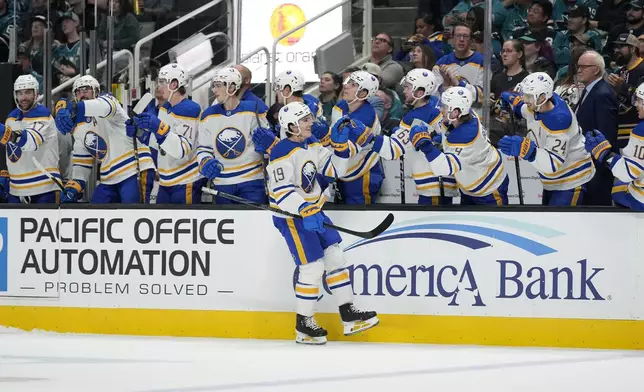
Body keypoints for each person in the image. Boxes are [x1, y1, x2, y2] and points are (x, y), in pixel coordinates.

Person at [267, 101, 378, 345]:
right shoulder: (280, 152)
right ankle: (304, 324)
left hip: (314, 211)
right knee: (312, 268)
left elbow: (334, 170)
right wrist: (304, 209)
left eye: (309, 118)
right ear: (291, 125)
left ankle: (348, 315)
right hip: (292, 218)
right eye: (304, 120)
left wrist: (339, 148)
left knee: (336, 257)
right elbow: (283, 192)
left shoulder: (313, 144)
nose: (310, 123)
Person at [55, 75, 156, 203]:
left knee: (133, 216)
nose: (82, 94)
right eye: (78, 92)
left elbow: (101, 106)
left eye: (86, 90)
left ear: (96, 91)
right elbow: (82, 162)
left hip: (134, 168)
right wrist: (73, 187)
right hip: (109, 178)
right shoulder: (80, 128)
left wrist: (72, 108)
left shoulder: (109, 102)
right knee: (96, 211)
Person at [499, 72, 596, 206]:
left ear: (542, 97)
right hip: (552, 181)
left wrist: (527, 150)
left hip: (571, 180)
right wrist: (512, 101)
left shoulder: (559, 120)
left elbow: (552, 164)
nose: (524, 99)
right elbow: (525, 109)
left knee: (559, 224)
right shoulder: (541, 104)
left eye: (528, 96)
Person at [371, 69, 459, 205]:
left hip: (432, 184)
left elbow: (392, 150)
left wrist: (367, 138)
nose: (404, 91)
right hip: (443, 182)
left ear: (420, 92)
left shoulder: (414, 117)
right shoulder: (436, 106)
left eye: (407, 87)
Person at [410, 86, 509, 205]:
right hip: (471, 182)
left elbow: (443, 168)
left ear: (455, 112)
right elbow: (448, 134)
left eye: (445, 107)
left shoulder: (465, 136)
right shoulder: (463, 116)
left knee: (492, 223)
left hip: (489, 188)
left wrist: (426, 145)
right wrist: (437, 138)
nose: (441, 109)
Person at [132, 63, 205, 204]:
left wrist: (159, 128)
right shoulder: (165, 107)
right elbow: (161, 145)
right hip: (166, 181)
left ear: (175, 84)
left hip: (186, 180)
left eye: (162, 82)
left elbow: (181, 150)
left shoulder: (189, 109)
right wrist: (142, 134)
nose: (159, 86)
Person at [197, 67, 269, 204]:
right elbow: (203, 148)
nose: (214, 90)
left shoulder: (252, 110)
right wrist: (205, 161)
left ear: (232, 87)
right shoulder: (208, 115)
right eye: (214, 85)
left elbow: (266, 144)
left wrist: (266, 144)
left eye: (218, 86)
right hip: (222, 183)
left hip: (252, 181)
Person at [315, 70, 384, 204]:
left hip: (363, 172)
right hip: (344, 170)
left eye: (353, 84)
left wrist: (325, 136)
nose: (346, 86)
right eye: (348, 82)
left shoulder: (365, 117)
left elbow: (346, 150)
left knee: (359, 215)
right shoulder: (341, 106)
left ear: (363, 93)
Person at [584, 82, 644, 210]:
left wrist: (605, 154)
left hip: (641, 201)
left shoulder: (641, 131)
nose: (636, 105)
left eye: (639, 100)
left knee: (618, 190)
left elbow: (628, 172)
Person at [0, 75, 60, 203]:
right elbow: (11, 151)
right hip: (16, 189)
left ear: (36, 93)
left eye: (28, 92)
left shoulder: (43, 115)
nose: (23, 98)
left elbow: (30, 142)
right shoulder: (11, 118)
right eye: (19, 93)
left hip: (44, 187)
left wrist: (5, 132)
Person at [575, 50, 619, 206]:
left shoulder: (602, 94)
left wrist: (599, 164)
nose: (579, 70)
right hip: (587, 166)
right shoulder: (591, 90)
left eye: (584, 66)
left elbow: (606, 133)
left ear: (596, 70)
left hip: (596, 169)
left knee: (597, 210)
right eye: (578, 66)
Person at [433, 22, 484, 112]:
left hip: (474, 117)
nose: (461, 39)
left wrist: (458, 84)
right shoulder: (441, 63)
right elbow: (434, 96)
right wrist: (445, 84)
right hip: (449, 118)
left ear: (471, 40)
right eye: (458, 35)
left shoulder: (481, 62)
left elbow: (483, 95)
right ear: (452, 39)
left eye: (465, 36)